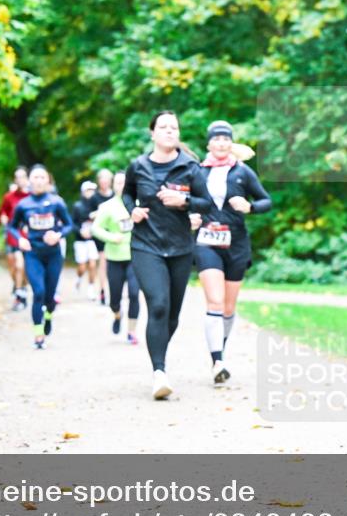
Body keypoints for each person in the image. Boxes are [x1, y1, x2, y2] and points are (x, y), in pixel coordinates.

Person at [123, 110, 212, 399]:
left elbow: (207, 203)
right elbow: (127, 194)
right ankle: (159, 372)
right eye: (163, 127)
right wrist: (132, 210)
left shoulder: (190, 167)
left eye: (174, 127)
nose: (169, 131)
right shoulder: (138, 166)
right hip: (146, 245)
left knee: (172, 314)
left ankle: (158, 352)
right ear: (152, 133)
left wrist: (184, 201)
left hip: (180, 247)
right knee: (158, 305)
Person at [190, 120, 271, 384]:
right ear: (209, 144)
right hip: (206, 241)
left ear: (231, 143)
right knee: (214, 301)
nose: (221, 143)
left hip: (236, 243)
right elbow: (185, 201)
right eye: (217, 139)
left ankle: (220, 352)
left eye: (226, 139)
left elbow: (266, 200)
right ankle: (218, 362)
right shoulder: (196, 172)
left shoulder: (242, 172)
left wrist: (249, 207)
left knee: (228, 306)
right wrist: (190, 215)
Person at [8, 165, 75, 349]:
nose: (38, 181)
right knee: (38, 293)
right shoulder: (23, 205)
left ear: (48, 181)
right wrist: (20, 239)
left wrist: (58, 235)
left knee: (50, 297)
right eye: (35, 177)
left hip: (53, 255)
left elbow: (69, 225)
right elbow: (12, 227)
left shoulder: (56, 202)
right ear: (29, 180)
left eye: (42, 177)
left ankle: (48, 316)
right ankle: (38, 336)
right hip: (33, 254)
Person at [92, 175, 141, 344]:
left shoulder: (139, 204)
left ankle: (132, 331)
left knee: (134, 294)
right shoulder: (107, 206)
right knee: (115, 299)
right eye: (119, 182)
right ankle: (117, 314)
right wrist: (111, 237)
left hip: (135, 256)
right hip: (114, 258)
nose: (123, 185)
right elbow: (95, 228)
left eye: (126, 182)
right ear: (113, 186)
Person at [0, 166, 31, 310]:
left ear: (27, 178)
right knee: (13, 266)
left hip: (27, 236)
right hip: (12, 234)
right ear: (15, 180)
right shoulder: (9, 197)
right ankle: (20, 287)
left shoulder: (32, 196)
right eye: (17, 177)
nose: (20, 180)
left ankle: (19, 295)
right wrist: (4, 218)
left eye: (22, 177)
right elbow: (2, 212)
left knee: (21, 265)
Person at [89, 169, 116, 306]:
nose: (104, 182)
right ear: (99, 181)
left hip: (117, 233)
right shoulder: (94, 198)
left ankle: (115, 290)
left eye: (107, 179)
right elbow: (89, 216)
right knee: (103, 262)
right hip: (101, 234)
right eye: (102, 179)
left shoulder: (117, 195)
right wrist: (102, 212)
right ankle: (102, 291)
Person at [71, 180, 100, 299]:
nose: (91, 193)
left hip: (92, 240)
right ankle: (79, 278)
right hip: (80, 241)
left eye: (93, 190)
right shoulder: (77, 206)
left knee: (93, 264)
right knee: (82, 266)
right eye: (88, 190)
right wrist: (80, 232)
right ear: (83, 192)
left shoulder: (97, 206)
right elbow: (72, 224)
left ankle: (91, 288)